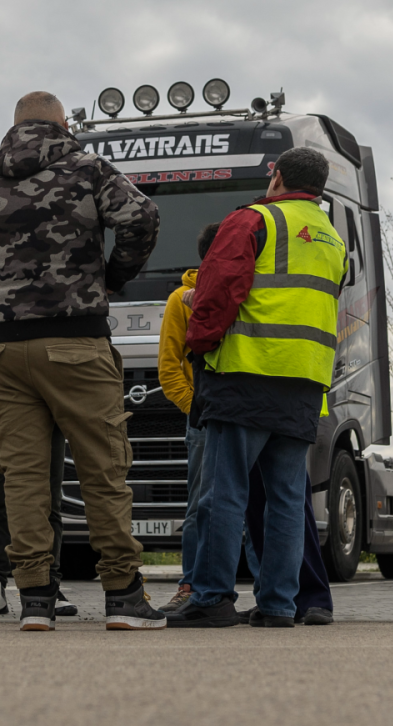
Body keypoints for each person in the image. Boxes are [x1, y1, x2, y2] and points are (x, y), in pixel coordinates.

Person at [0, 90, 166, 632]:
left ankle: (35, 601)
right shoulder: (88, 169)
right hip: (77, 343)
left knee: (22, 480)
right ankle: (123, 598)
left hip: (2, 349)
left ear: (15, 126)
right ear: (62, 122)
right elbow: (141, 217)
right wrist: (112, 278)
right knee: (103, 471)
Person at [170, 147, 347, 628]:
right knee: (288, 498)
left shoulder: (253, 220)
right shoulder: (333, 239)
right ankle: (277, 606)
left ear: (278, 176)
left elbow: (217, 290)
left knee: (223, 494)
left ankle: (211, 598)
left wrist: (200, 347)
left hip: (247, 374)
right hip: (306, 381)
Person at [0, 315, 77, 619]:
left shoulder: (55, 304)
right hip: (0, 414)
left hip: (49, 415)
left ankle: (50, 582)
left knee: (49, 501)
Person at [156, 223, 218, 613]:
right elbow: (168, 369)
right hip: (205, 422)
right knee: (199, 507)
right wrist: (195, 408)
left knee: (247, 507)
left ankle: (264, 591)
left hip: (242, 415)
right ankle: (190, 586)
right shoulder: (181, 300)